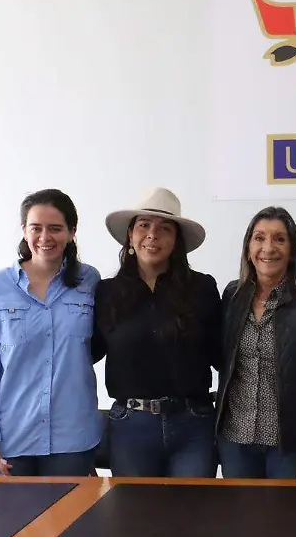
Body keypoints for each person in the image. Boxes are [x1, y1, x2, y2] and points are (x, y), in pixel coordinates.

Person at [0, 188, 102, 477]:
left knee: (72, 522)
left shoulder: (90, 281)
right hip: (12, 439)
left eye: (55, 228)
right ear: (24, 230)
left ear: (72, 232)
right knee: (10, 522)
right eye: (36, 228)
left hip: (73, 439)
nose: (44, 237)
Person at [91, 187, 222, 477]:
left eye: (165, 228)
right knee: (136, 519)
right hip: (130, 426)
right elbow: (85, 353)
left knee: (193, 517)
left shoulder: (201, 289)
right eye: (144, 225)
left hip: (193, 424)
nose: (153, 235)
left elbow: (223, 356)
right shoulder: (106, 292)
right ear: (130, 235)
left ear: (177, 241)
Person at [214, 207, 296, 480]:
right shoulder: (232, 296)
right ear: (248, 248)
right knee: (240, 522)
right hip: (235, 441)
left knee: (286, 522)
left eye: (279, 239)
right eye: (259, 238)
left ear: (293, 251)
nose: (268, 248)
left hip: (290, 446)